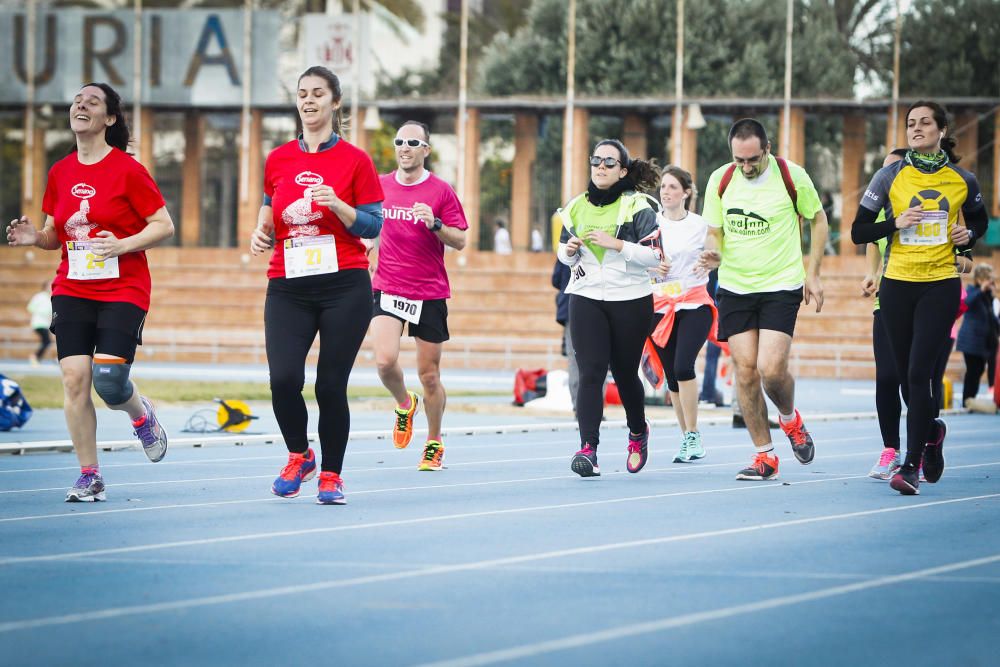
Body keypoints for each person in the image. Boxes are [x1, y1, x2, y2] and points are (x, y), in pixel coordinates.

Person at [6, 82, 174, 502]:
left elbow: (163, 225)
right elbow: (54, 234)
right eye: (77, 101)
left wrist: (122, 244)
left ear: (109, 118)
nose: (81, 105)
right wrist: (34, 238)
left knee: (110, 381)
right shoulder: (60, 172)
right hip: (74, 287)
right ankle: (89, 474)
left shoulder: (128, 170)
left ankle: (140, 413)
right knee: (75, 379)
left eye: (92, 101)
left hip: (123, 286)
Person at [249, 66, 383, 505]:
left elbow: (373, 224)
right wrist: (259, 233)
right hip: (288, 284)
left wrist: (340, 206)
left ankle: (331, 474)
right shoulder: (279, 159)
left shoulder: (356, 160)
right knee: (283, 379)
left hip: (344, 285)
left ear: (335, 103)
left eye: (318, 94)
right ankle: (299, 453)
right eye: (303, 94)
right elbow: (270, 212)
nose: (308, 101)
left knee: (329, 385)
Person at [851, 100, 988, 495]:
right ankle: (932, 434)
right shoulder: (888, 176)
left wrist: (968, 237)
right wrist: (895, 222)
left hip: (940, 284)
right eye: (911, 123)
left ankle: (909, 466)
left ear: (941, 130)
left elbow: (979, 220)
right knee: (900, 377)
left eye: (925, 122)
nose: (916, 128)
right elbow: (860, 231)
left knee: (918, 373)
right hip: (896, 285)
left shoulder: (963, 180)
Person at [697, 118, 828, 481]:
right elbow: (714, 232)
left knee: (771, 369)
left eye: (752, 159)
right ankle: (765, 456)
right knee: (745, 370)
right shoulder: (721, 180)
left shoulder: (792, 176)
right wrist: (713, 254)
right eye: (739, 160)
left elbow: (818, 220)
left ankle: (790, 419)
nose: (746, 167)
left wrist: (813, 273)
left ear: (767, 149)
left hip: (781, 284)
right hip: (736, 286)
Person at [861, 148, 972, 480]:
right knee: (885, 378)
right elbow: (871, 245)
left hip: (929, 295)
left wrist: (949, 260)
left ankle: (926, 441)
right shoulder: (883, 215)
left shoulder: (944, 207)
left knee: (916, 380)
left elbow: (967, 258)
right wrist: (872, 275)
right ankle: (891, 451)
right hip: (889, 301)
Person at [556, 139, 661, 477]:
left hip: (630, 299)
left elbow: (655, 257)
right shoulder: (574, 207)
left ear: (623, 171)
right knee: (590, 373)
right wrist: (570, 251)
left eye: (609, 163)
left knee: (626, 373)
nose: (600, 167)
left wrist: (618, 244)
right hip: (586, 296)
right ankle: (588, 449)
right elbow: (561, 254)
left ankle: (637, 431)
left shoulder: (639, 205)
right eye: (596, 161)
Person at [371, 120, 468, 471]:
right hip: (388, 286)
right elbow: (368, 225)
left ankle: (434, 441)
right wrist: (367, 245)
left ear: (426, 149)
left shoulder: (441, 191)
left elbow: (460, 240)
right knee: (384, 361)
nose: (405, 147)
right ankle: (403, 403)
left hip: (428, 292)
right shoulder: (379, 186)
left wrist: (436, 224)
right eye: (400, 141)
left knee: (429, 375)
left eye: (413, 142)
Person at [648, 166, 721, 463]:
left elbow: (719, 254)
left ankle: (694, 434)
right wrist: (652, 267)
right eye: (663, 186)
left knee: (683, 366)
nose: (666, 192)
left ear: (687, 192)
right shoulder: (649, 223)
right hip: (660, 306)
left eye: (673, 187)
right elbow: (635, 260)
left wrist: (712, 260)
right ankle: (686, 438)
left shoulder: (701, 225)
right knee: (672, 377)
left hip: (694, 302)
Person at [957, 264, 999, 405]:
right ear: (980, 279)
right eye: (986, 278)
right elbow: (967, 303)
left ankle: (970, 400)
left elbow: (991, 317)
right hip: (970, 340)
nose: (989, 282)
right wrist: (981, 290)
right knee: (973, 371)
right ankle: (966, 400)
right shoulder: (972, 290)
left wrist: (991, 296)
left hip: (982, 343)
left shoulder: (986, 296)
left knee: (979, 370)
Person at [27, 280, 53, 365]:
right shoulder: (39, 296)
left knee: (46, 341)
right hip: (38, 323)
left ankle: (36, 358)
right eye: (49, 285)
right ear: (45, 287)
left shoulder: (51, 297)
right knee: (47, 341)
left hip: (46, 324)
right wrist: (42, 313)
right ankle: (35, 357)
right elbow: (30, 307)